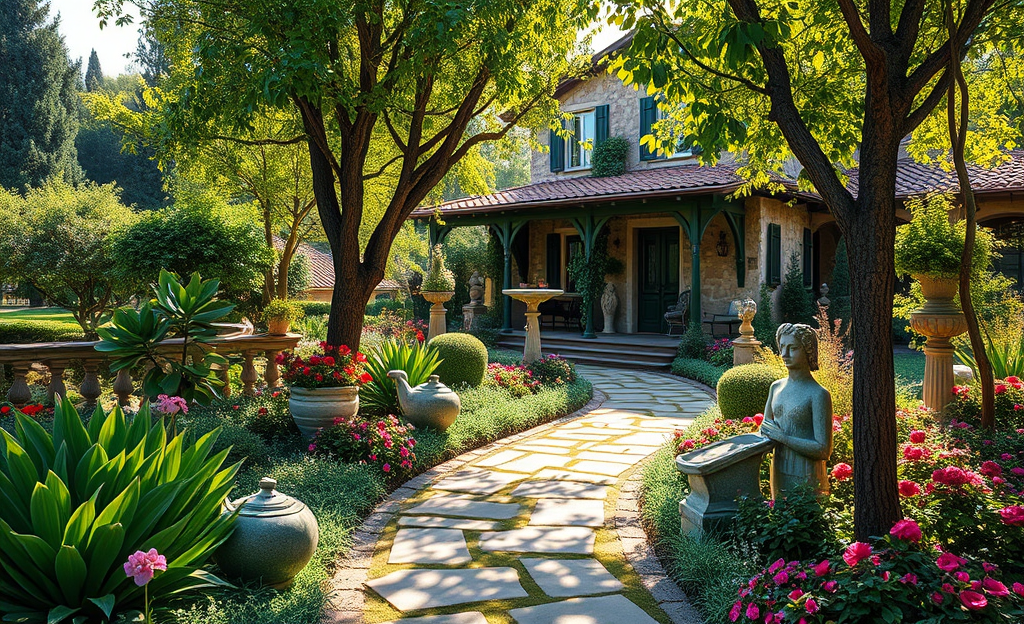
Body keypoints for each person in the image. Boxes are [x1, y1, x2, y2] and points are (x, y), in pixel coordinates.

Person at [760, 323, 834, 498]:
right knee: (780, 511)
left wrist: (783, 438)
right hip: (779, 470)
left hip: (806, 474)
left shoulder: (818, 394)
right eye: (782, 347)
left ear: (808, 351)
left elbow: (823, 450)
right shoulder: (775, 388)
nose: (784, 354)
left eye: (792, 348)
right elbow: (765, 429)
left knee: (802, 513)